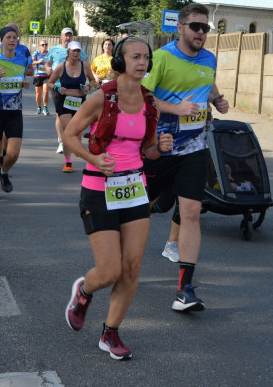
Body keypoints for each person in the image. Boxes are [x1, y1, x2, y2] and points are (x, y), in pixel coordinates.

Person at [62, 36, 174, 361]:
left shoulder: (150, 102)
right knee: (109, 270)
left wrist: (160, 147)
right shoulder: (102, 97)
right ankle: (84, 291)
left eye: (146, 57)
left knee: (132, 268)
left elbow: (148, 151)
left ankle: (110, 332)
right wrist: (93, 159)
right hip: (99, 190)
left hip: (134, 190)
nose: (142, 62)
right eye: (135, 56)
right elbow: (70, 135)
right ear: (121, 62)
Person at [142, 3, 229, 312]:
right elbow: (143, 97)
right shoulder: (164, 57)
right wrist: (175, 109)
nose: (201, 33)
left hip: (194, 147)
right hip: (158, 146)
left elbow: (205, 82)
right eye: (195, 26)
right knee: (140, 210)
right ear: (179, 28)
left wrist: (216, 99)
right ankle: (119, 264)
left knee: (191, 213)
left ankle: (185, 289)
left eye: (206, 27)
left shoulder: (209, 59)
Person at [0, 26, 34, 200]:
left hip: (14, 112)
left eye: (14, 38)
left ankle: (3, 172)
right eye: (8, 37)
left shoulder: (22, 60)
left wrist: (24, 83)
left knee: (13, 153)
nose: (12, 40)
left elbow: (21, 79)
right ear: (1, 40)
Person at [48, 41, 96, 173]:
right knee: (69, 130)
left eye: (78, 51)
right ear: (68, 52)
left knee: (77, 132)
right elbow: (50, 83)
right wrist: (58, 88)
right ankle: (68, 162)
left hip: (80, 102)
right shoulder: (61, 67)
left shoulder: (84, 65)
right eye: (73, 51)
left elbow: (92, 80)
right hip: (64, 101)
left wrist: (88, 87)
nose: (76, 53)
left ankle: (76, 147)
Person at [45, 27, 88, 154]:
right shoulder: (54, 50)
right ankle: (61, 140)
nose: (68, 37)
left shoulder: (80, 52)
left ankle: (72, 141)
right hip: (59, 87)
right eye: (66, 35)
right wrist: (47, 68)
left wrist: (88, 84)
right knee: (61, 115)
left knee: (76, 120)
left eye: (70, 35)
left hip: (76, 88)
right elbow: (48, 63)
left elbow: (86, 66)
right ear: (61, 37)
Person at [32, 40, 52, 115]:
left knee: (46, 91)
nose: (44, 46)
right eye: (42, 45)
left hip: (46, 76)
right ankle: (38, 107)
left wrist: (51, 68)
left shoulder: (49, 53)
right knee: (38, 93)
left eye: (45, 45)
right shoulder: (36, 53)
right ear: (39, 46)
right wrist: (38, 62)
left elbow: (53, 61)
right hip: (38, 75)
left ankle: (45, 107)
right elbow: (31, 62)